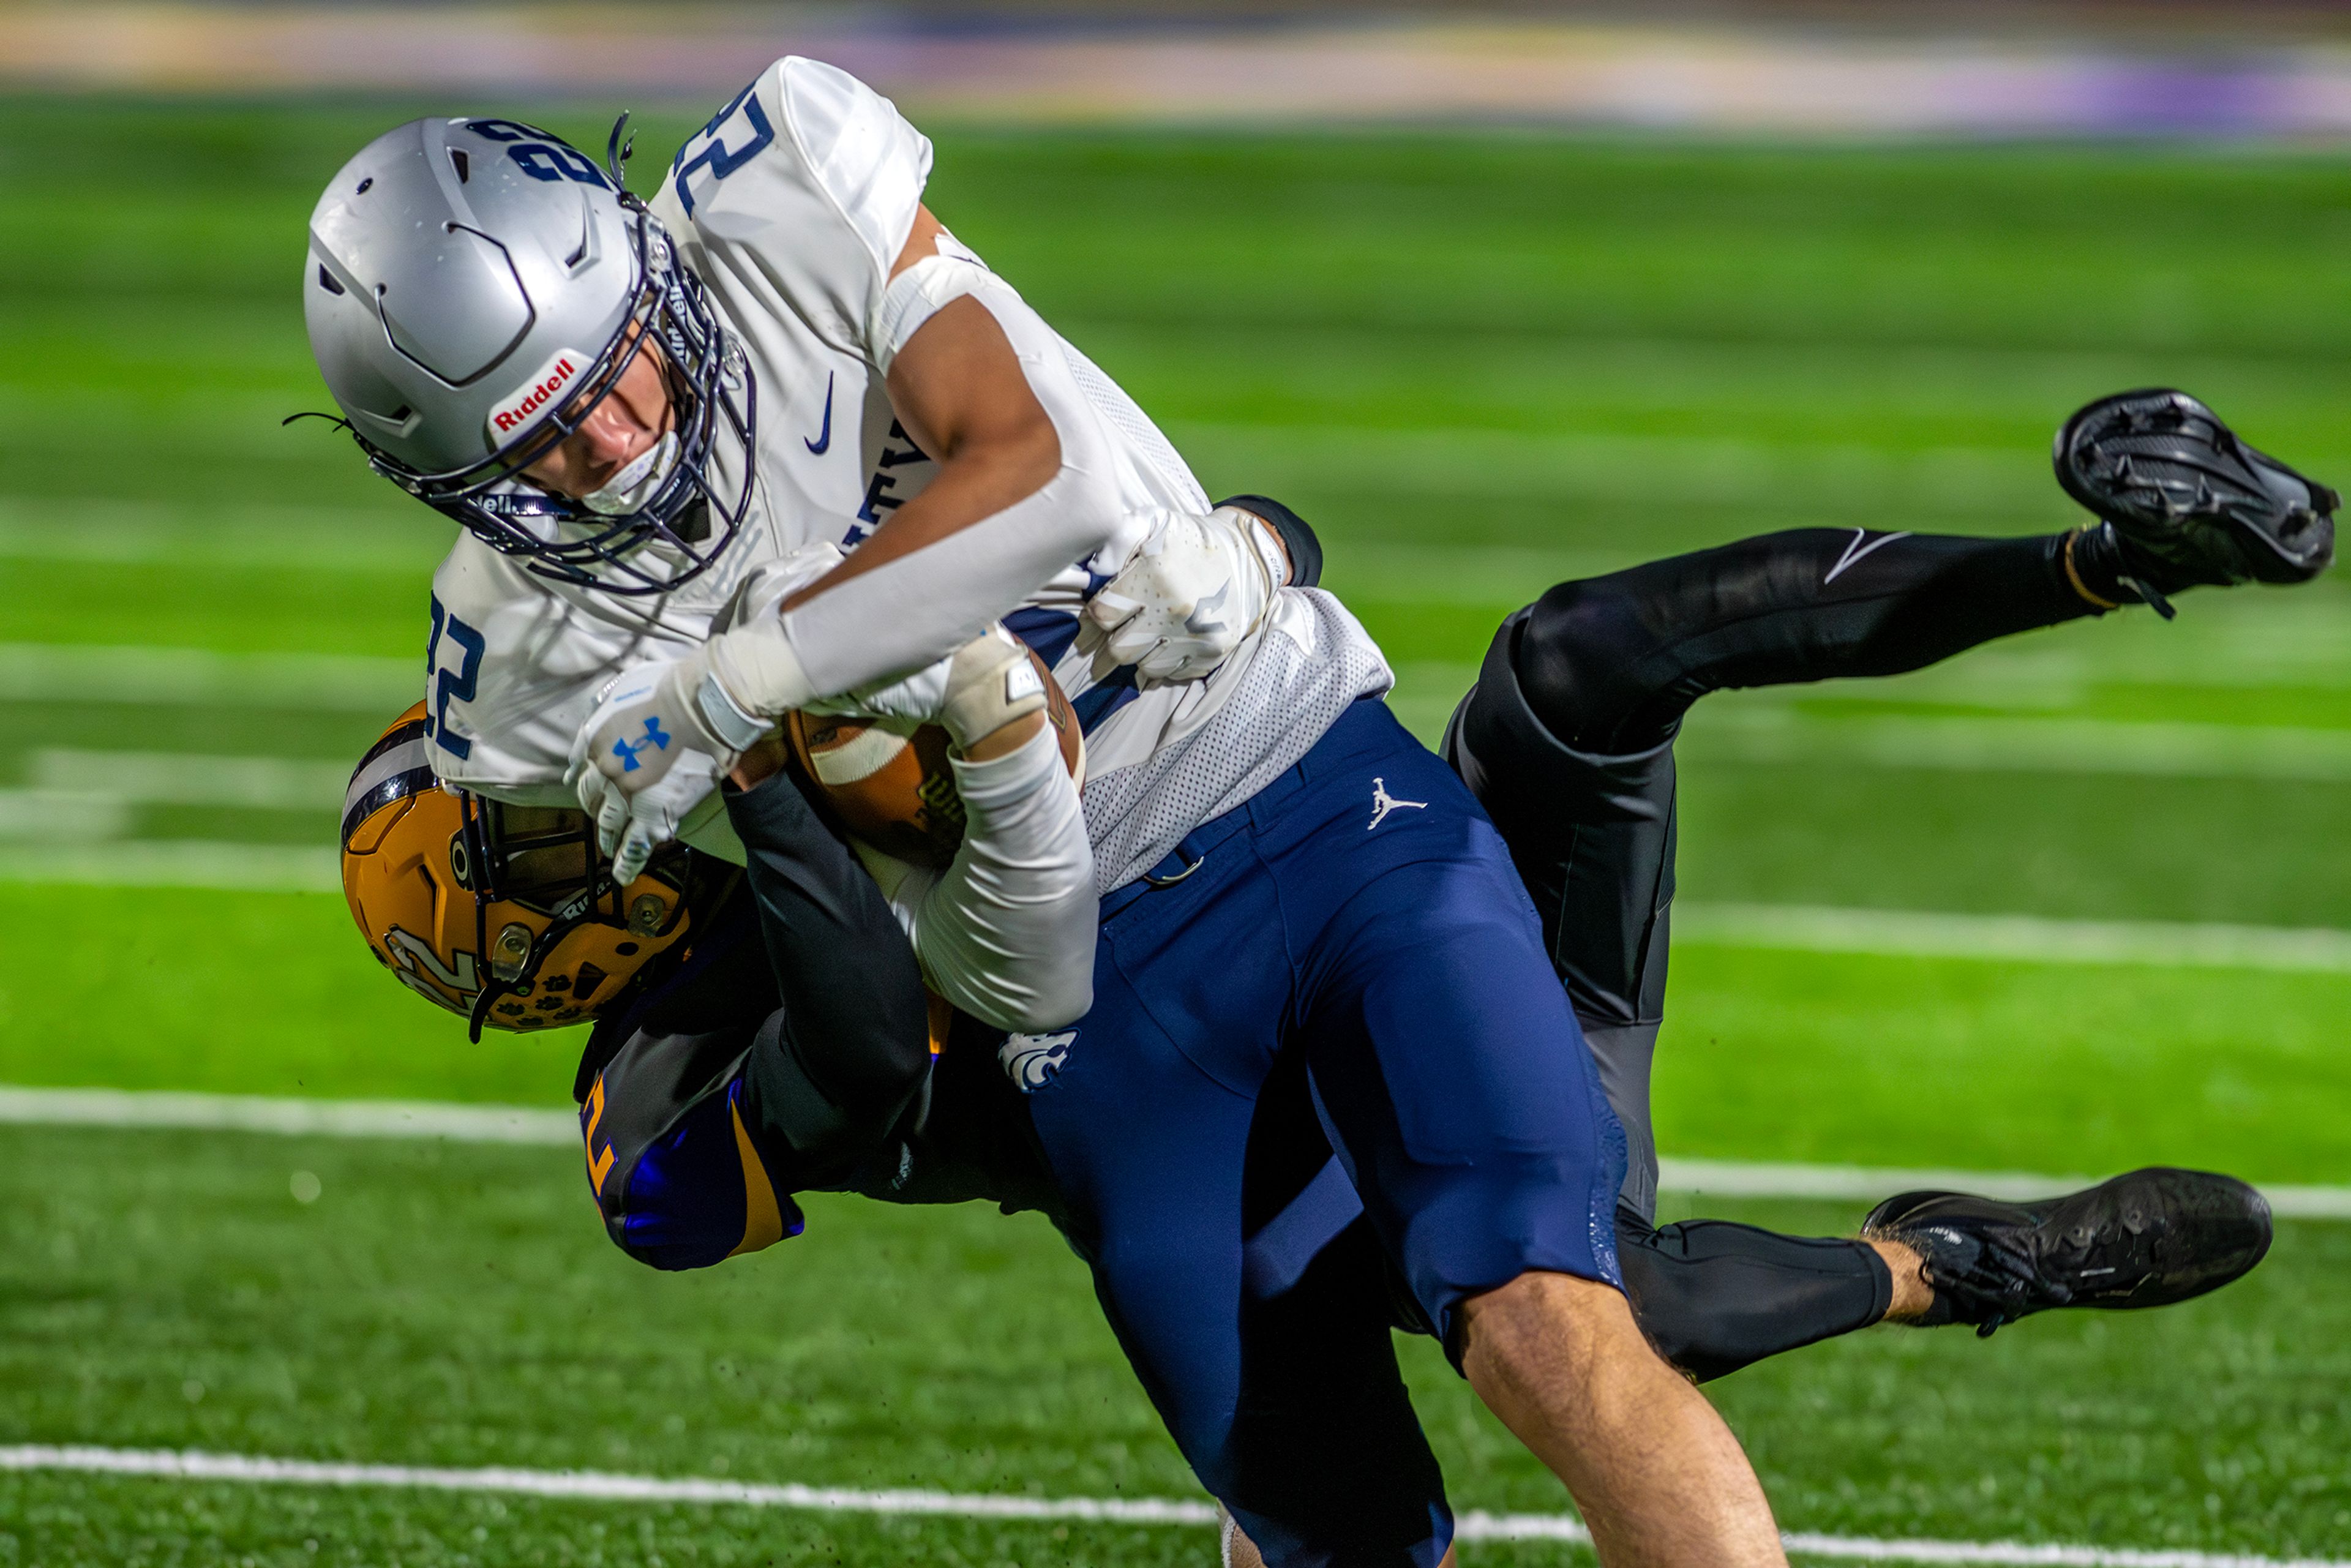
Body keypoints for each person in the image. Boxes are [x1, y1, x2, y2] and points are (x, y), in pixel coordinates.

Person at [304, 67, 1787, 1564]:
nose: (611, 444)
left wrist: (749, 673)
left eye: (611, 371)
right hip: (1090, 1000)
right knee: (1320, 1530)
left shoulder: (781, 189)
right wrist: (808, 754)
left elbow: (1041, 477)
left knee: (1547, 1327)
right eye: (531, 452)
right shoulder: (513, 688)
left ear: (634, 261)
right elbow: (901, 959)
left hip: (1303, 782)